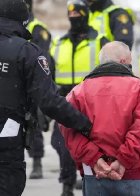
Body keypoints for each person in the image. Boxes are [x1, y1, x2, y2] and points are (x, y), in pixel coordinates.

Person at [0, 0, 92, 196]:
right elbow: (49, 101)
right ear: (23, 21)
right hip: (6, 142)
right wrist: (85, 123)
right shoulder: (26, 52)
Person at [59, 41, 140, 196]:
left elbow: (67, 127)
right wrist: (123, 160)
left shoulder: (79, 91)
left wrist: (95, 159)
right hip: (132, 174)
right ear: (124, 61)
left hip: (94, 174)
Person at [50, 0, 108, 195]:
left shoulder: (100, 40)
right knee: (60, 142)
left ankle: (91, 179)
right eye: (71, 14)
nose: (74, 17)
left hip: (92, 101)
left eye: (78, 14)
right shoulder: (59, 43)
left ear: (85, 14)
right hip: (64, 101)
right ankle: (67, 183)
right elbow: (48, 74)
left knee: (93, 145)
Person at [25, 0, 53, 180]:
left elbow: (41, 58)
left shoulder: (37, 28)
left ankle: (37, 163)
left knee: (33, 125)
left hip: (31, 84)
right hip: (12, 82)